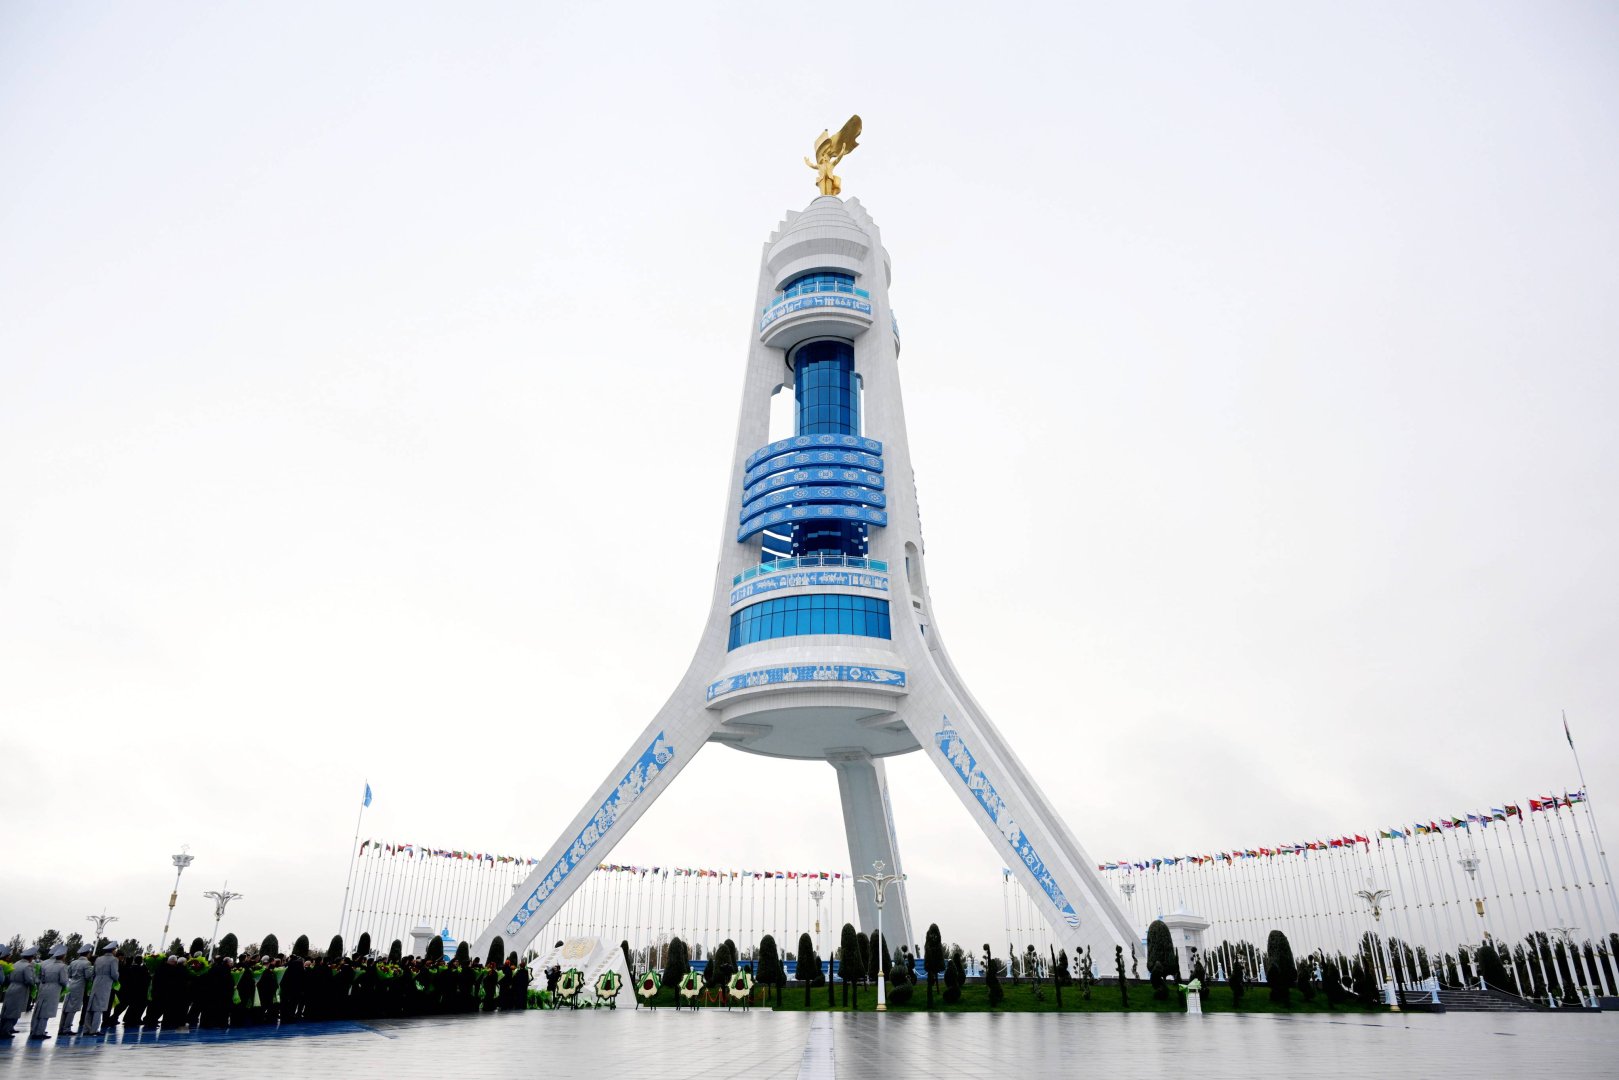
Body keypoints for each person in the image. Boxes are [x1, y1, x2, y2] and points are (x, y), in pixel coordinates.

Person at [30, 944, 69, 1039]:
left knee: (38, 1011)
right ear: (63, 956)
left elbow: (39, 977)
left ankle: (34, 1030)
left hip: (43, 988)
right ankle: (40, 1032)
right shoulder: (62, 966)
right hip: (54, 989)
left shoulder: (45, 964)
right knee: (46, 1012)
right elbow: (63, 981)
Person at [84, 942, 121, 1036]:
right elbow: (114, 974)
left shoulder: (98, 959)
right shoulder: (114, 960)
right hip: (106, 983)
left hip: (96, 982)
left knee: (91, 1007)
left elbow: (94, 972)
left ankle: (86, 1029)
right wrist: (117, 979)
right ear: (113, 950)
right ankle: (94, 1030)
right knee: (99, 1008)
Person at [2, 946, 39, 1037]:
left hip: (11, 987)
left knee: (7, 1010)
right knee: (15, 1011)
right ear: (31, 957)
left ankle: (4, 1028)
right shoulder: (28, 966)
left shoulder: (16, 964)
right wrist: (34, 984)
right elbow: (29, 979)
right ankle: (6, 1030)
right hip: (21, 989)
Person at [58, 944, 93, 1036]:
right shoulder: (87, 963)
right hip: (79, 986)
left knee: (65, 1008)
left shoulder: (73, 962)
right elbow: (88, 976)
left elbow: (68, 974)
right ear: (88, 954)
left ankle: (61, 1028)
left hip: (71, 984)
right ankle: (67, 1028)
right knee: (72, 1008)